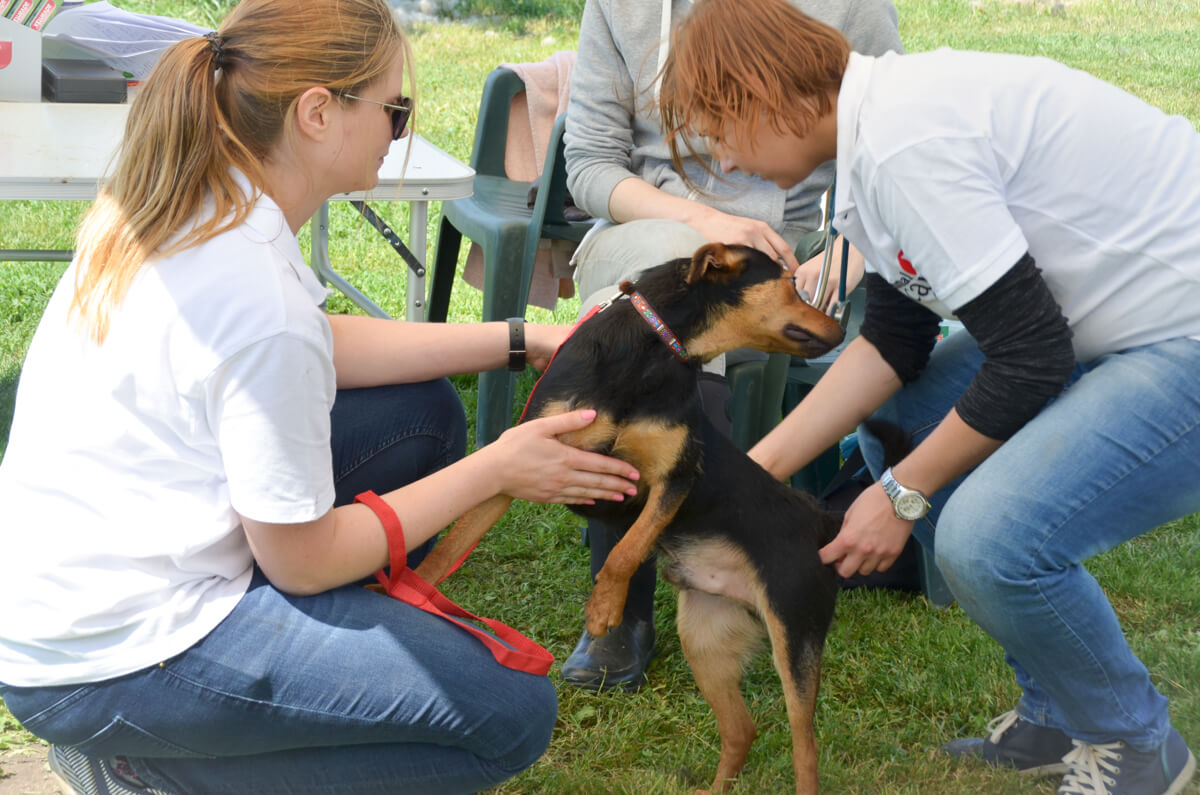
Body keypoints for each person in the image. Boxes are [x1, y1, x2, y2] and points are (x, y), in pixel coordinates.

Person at [0, 2, 642, 793]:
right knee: (510, 711)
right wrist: (498, 467)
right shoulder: (253, 291)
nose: (397, 132)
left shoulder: (198, 197)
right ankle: (145, 769)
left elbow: (314, 340)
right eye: (394, 110)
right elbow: (303, 560)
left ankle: (258, 702)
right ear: (315, 113)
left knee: (420, 415)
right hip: (111, 663)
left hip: (68, 605)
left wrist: (521, 338)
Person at [655, 1, 1200, 793]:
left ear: (767, 95)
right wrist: (745, 477)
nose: (728, 162)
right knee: (899, 424)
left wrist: (901, 496)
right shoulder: (872, 136)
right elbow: (896, 344)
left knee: (989, 541)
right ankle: (1059, 710)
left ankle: (1138, 743)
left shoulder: (905, 144)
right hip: (1111, 327)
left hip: (1183, 336)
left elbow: (1032, 358)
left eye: (722, 132)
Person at [558, 0, 902, 693]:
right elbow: (590, 164)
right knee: (682, 290)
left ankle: (724, 549)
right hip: (651, 231)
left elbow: (891, 151)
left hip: (798, 245)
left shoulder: (851, 7)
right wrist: (703, 224)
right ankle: (624, 598)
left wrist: (846, 256)